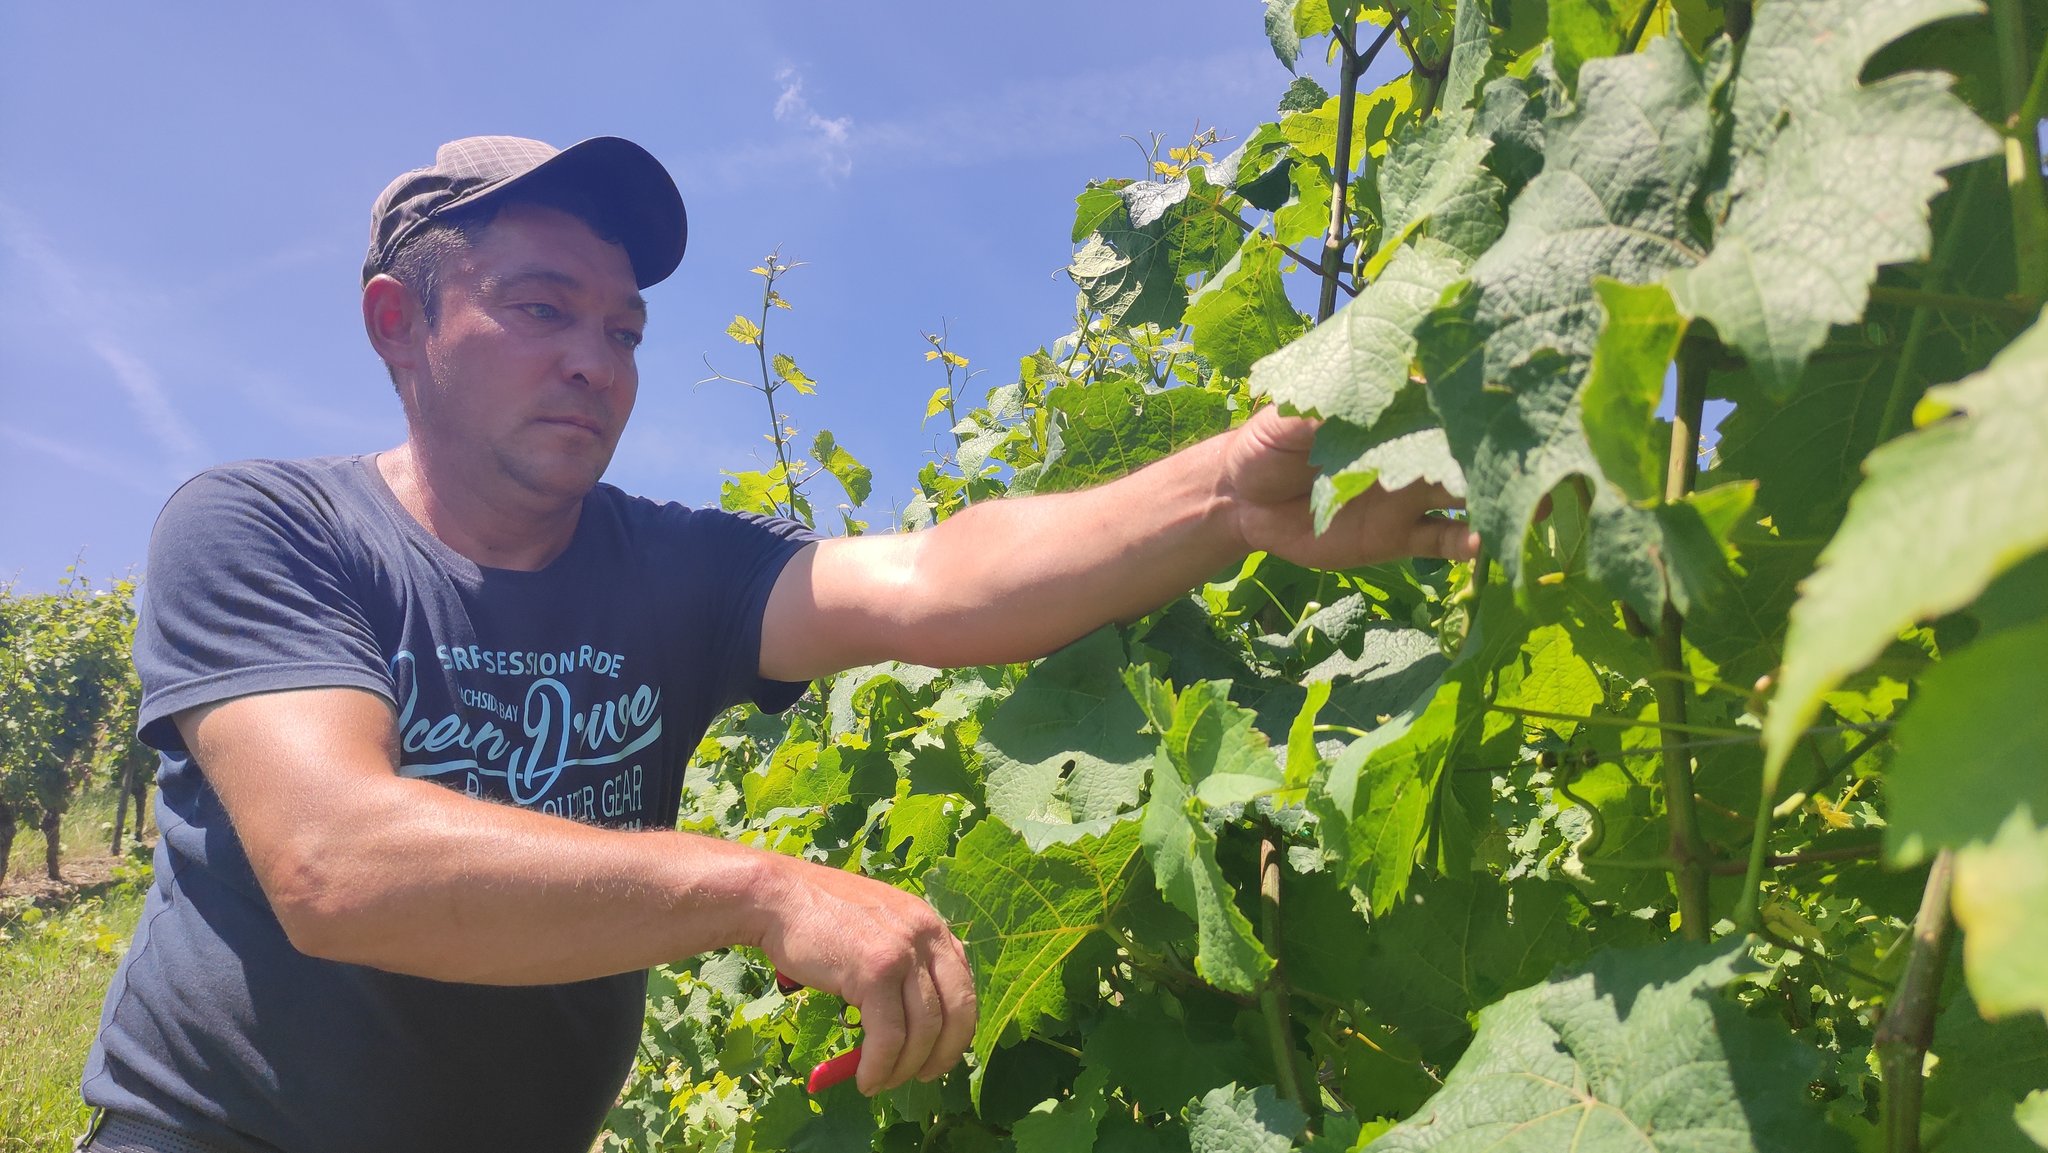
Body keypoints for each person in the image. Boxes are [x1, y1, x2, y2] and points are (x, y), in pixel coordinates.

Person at [76, 135, 1478, 1153]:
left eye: (623, 326)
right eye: (543, 306)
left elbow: (937, 575)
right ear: (403, 323)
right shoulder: (265, 528)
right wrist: (763, 888)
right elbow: (338, 861)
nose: (597, 359)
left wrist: (1225, 493)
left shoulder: (671, 569)